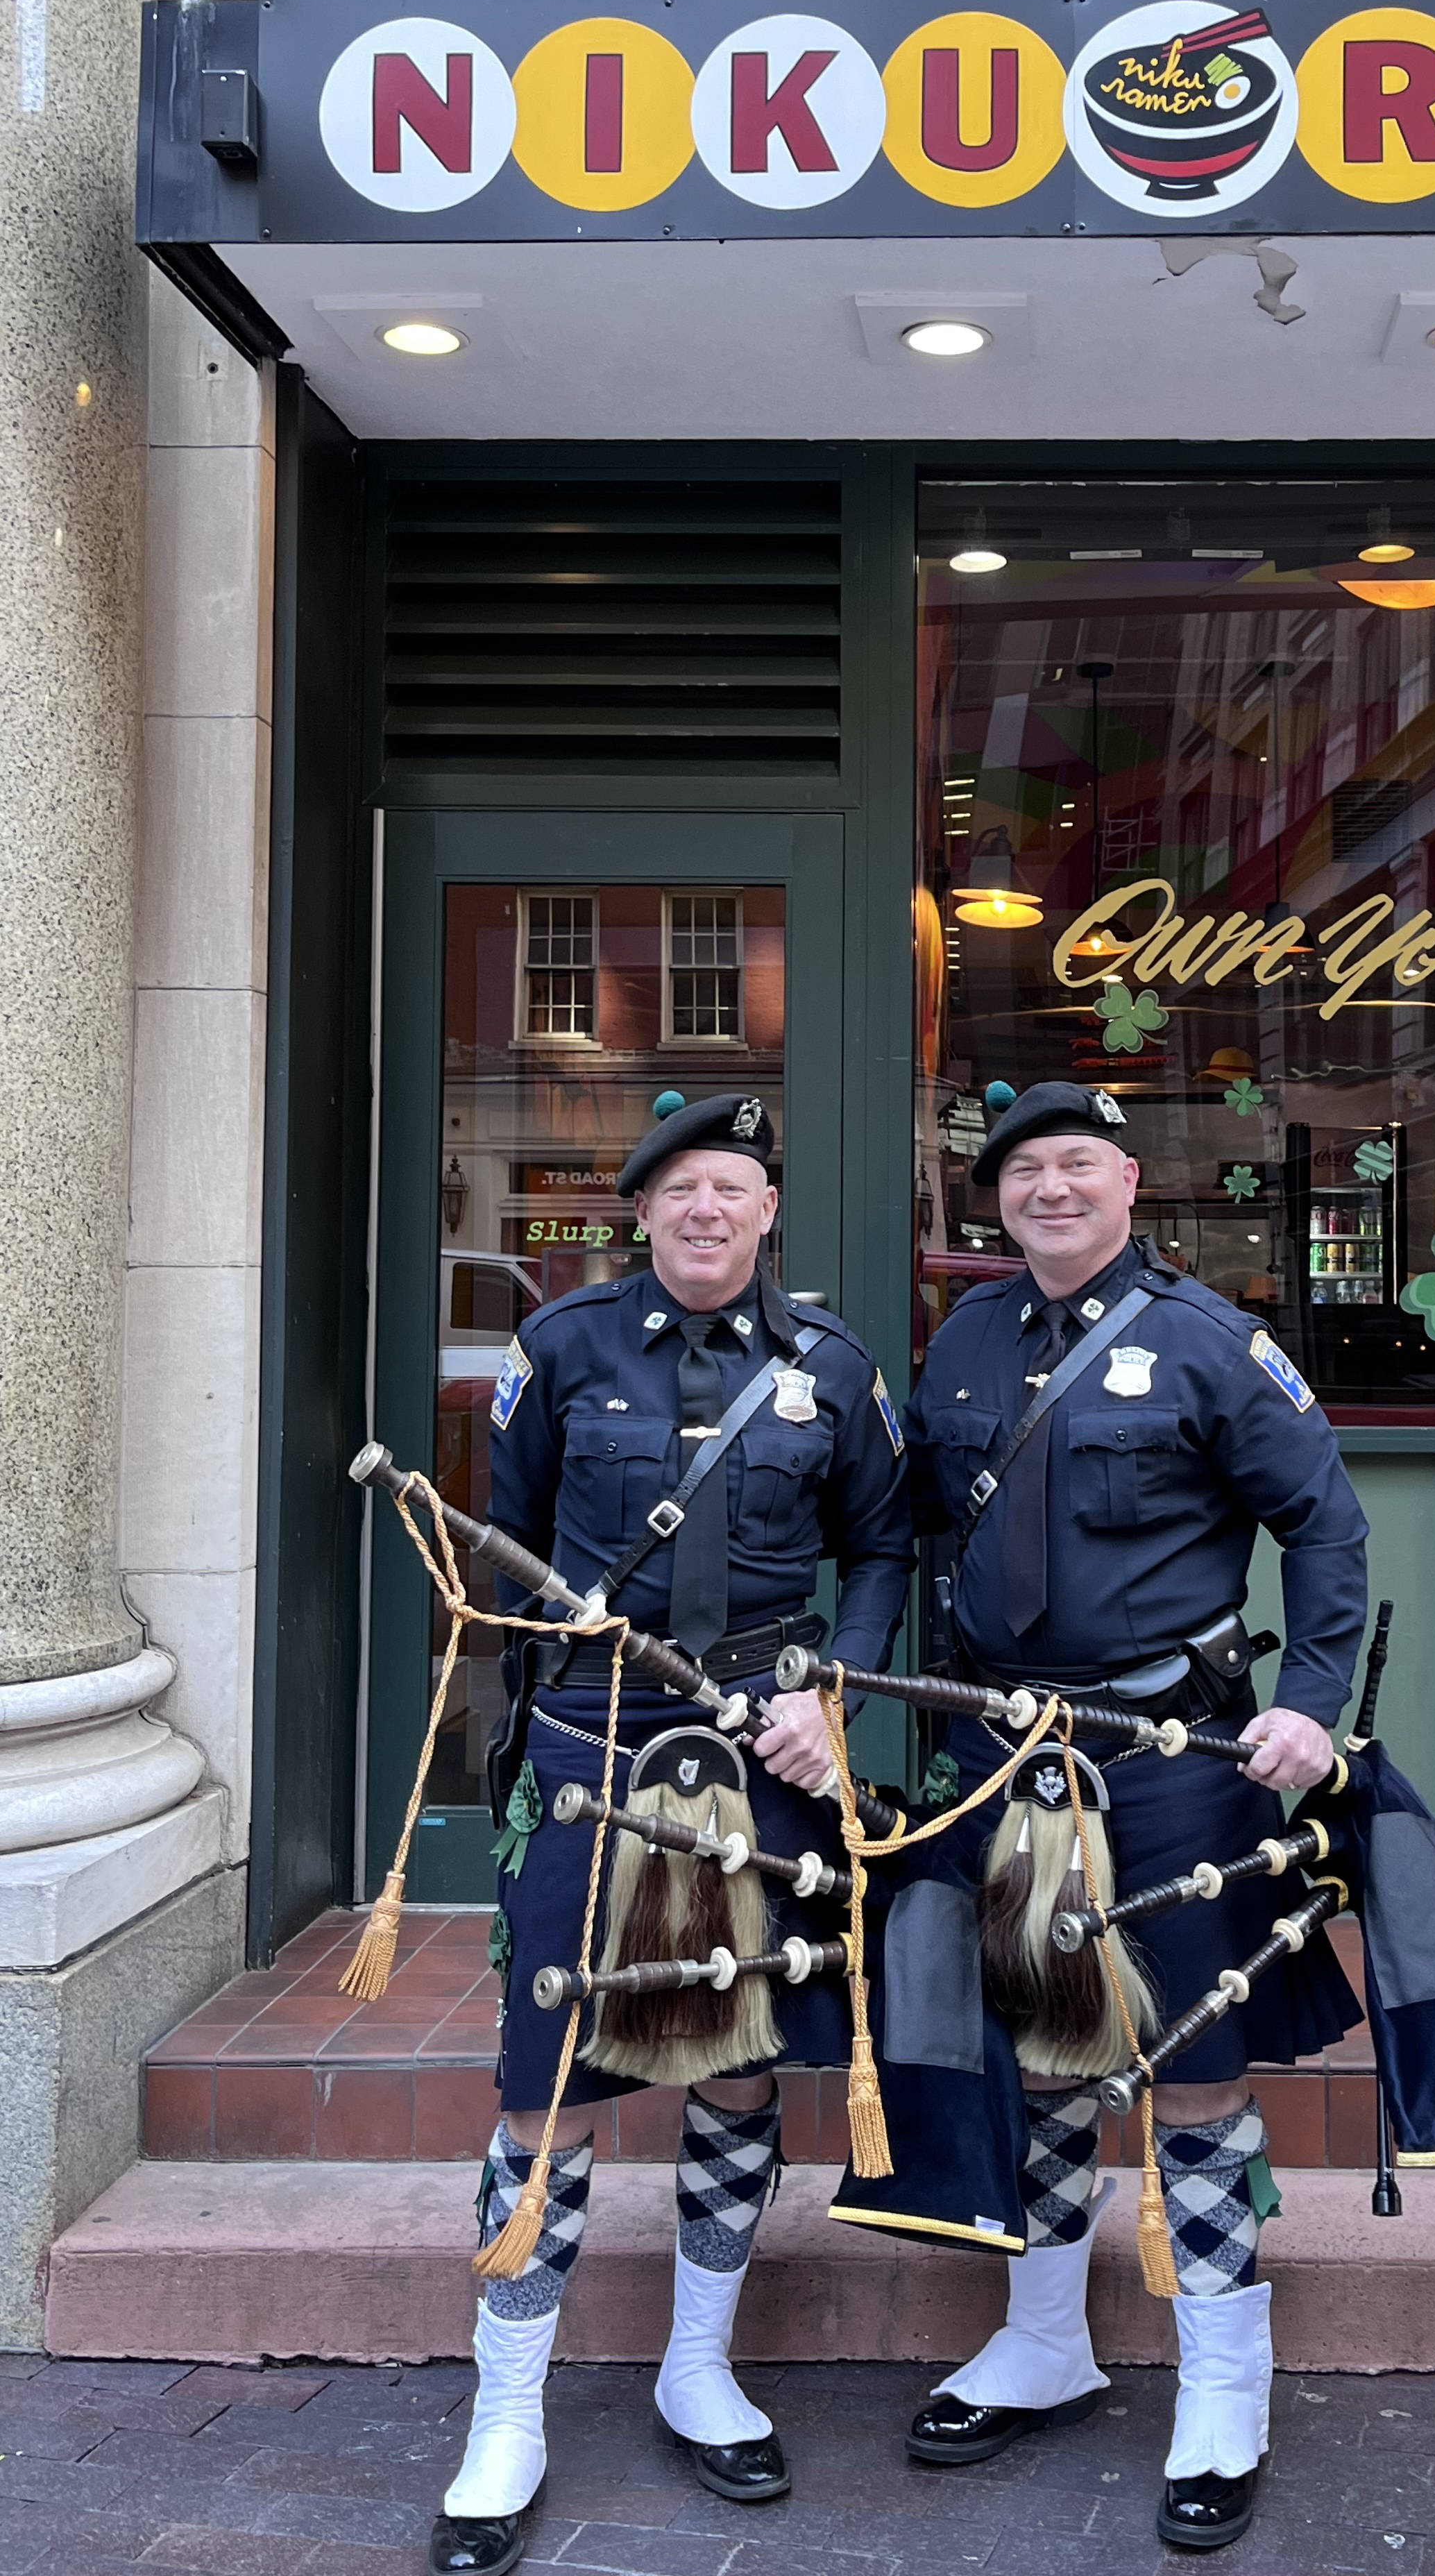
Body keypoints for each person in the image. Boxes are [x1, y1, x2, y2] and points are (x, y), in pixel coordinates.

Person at [430, 1092, 914, 2576]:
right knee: (551, 2078)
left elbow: (887, 1544)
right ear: (639, 1214)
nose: (708, 1212)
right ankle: (504, 2417)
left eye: (736, 1189)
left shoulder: (830, 1366)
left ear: (772, 1211)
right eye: (680, 1191)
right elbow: (502, 1535)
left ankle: (698, 2369)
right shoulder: (560, 1351)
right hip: (592, 1748)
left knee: (740, 2072)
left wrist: (829, 1697)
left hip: (760, 1759)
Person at [899, 1081, 1370, 2554]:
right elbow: (914, 1533)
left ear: (1126, 1184)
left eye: (1078, 1166)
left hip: (1169, 1746)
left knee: (1194, 2065)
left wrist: (1313, 1699)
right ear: (999, 1196)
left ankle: (1226, 2387)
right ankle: (1047, 2339)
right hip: (1002, 1747)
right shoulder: (965, 1339)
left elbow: (1326, 1520)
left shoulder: (1209, 1341)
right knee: (1039, 2049)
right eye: (1025, 1169)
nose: (1051, 1189)